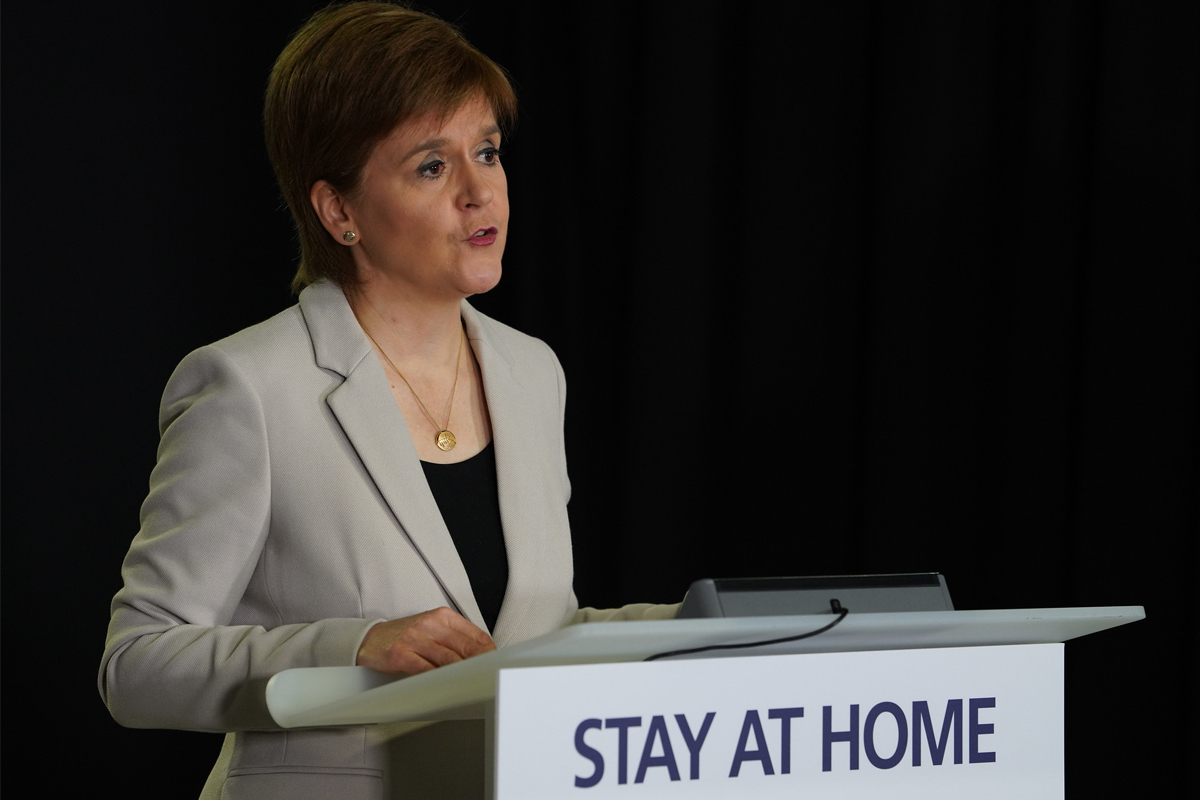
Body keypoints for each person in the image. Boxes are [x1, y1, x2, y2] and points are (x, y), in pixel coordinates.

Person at [98, 3, 677, 798]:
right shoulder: (247, 387)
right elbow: (136, 664)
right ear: (339, 211)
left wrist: (699, 631)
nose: (480, 192)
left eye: (487, 152)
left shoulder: (532, 371)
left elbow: (525, 637)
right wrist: (354, 647)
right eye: (432, 166)